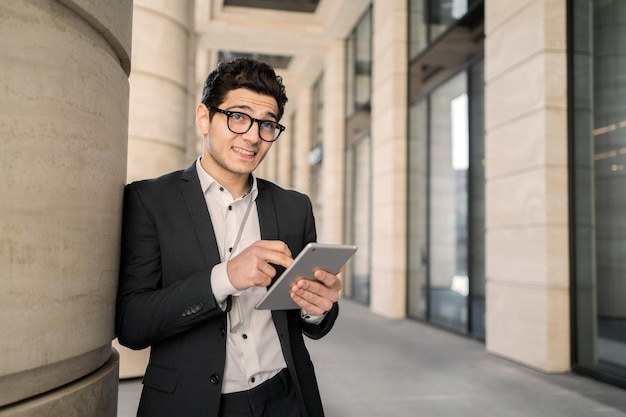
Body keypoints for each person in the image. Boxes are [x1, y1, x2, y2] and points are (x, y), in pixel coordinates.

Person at [115, 57, 342, 417]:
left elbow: (305, 321)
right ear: (204, 118)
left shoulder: (294, 207)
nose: (253, 136)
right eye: (239, 116)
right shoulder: (149, 201)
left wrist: (317, 308)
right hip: (191, 403)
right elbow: (132, 324)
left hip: (286, 397)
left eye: (267, 124)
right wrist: (225, 278)